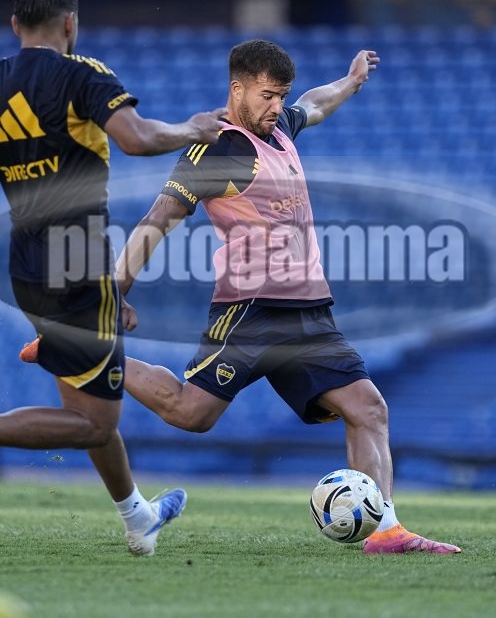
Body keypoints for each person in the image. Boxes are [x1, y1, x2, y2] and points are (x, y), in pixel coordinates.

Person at [27, 37, 461, 554]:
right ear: (237, 89)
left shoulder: (280, 129)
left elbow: (315, 105)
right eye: (267, 96)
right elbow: (159, 217)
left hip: (310, 314)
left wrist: (350, 82)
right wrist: (117, 290)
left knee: (369, 408)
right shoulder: (219, 149)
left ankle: (386, 531)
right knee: (191, 414)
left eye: (281, 97)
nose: (276, 107)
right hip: (251, 311)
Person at [0, 0, 226, 557]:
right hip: (77, 260)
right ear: (70, 24)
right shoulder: (83, 74)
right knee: (96, 422)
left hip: (26, 264)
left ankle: (137, 517)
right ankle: (136, 515)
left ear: (16, 23)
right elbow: (137, 138)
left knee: (88, 398)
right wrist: (192, 128)